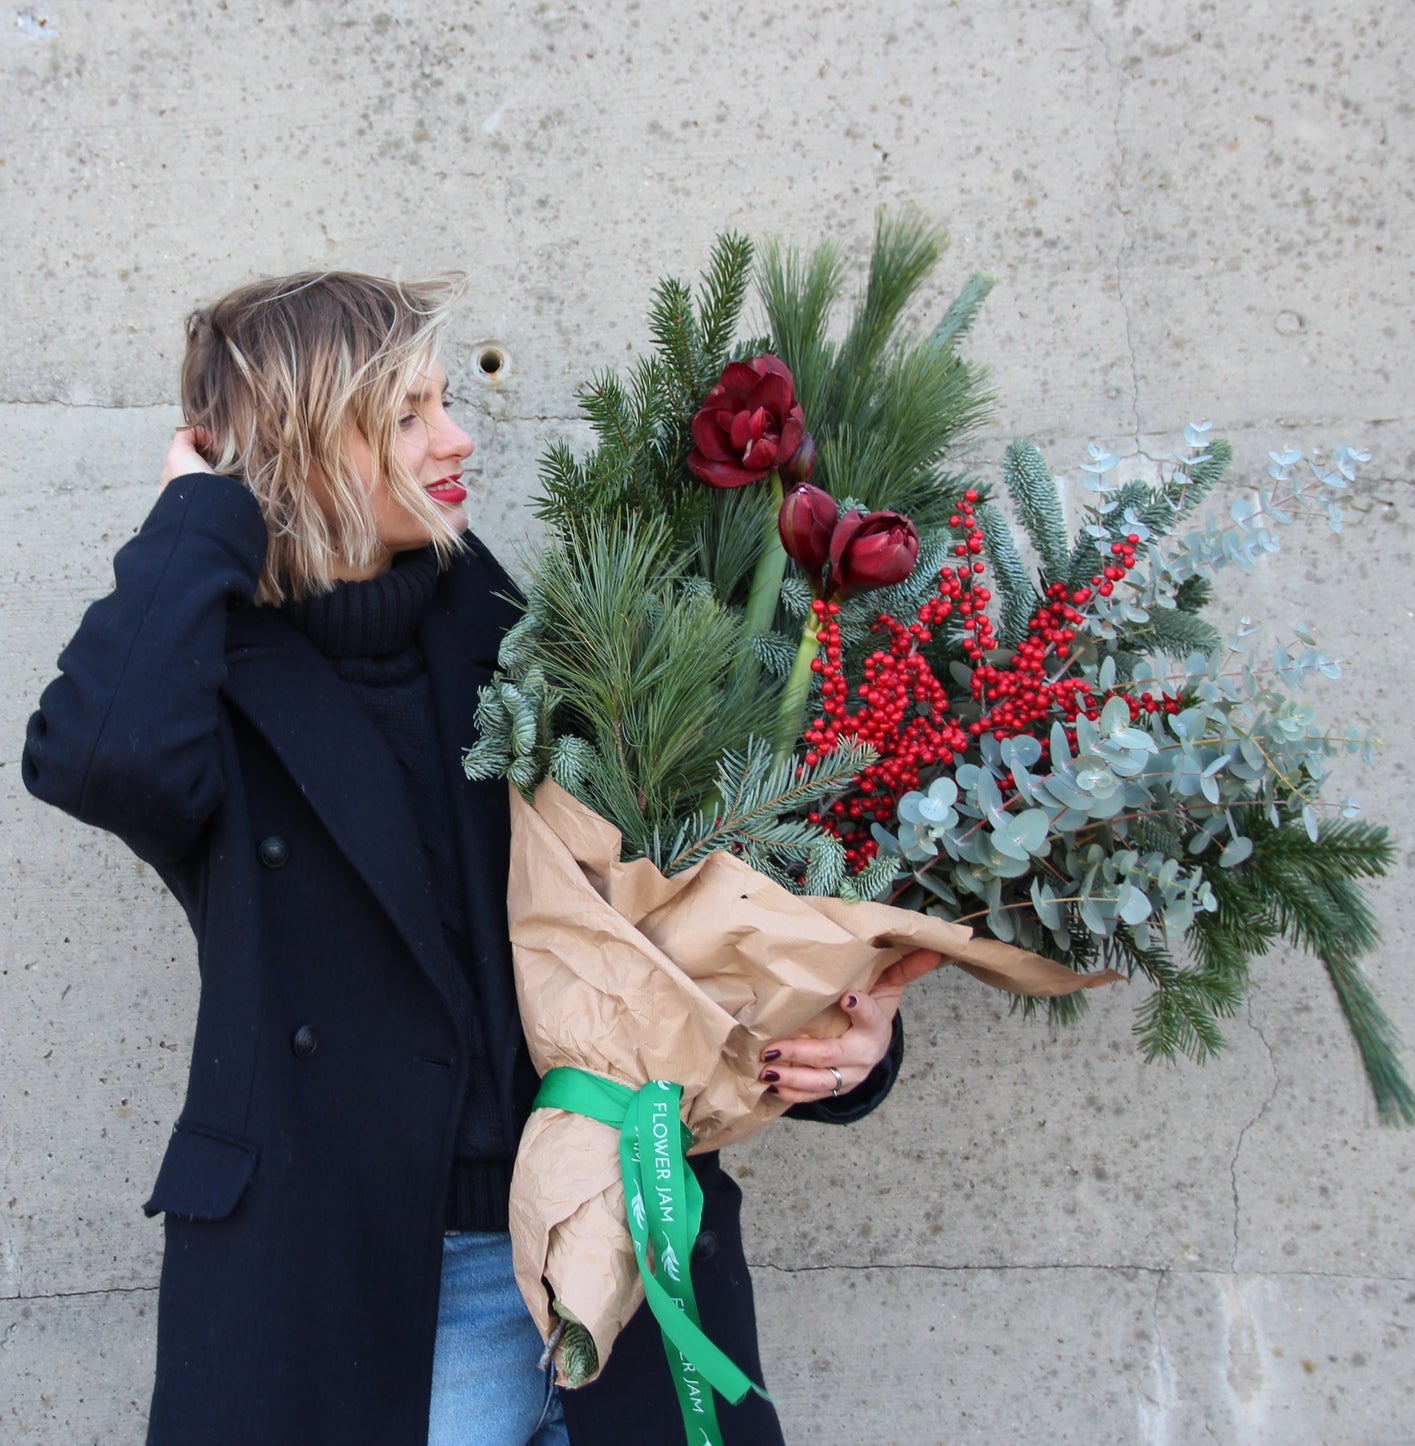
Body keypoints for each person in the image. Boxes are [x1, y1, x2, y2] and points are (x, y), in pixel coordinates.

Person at [22, 270, 927, 1446]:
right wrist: (201, 519)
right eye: (402, 415)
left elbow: (695, 919)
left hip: (620, 1237)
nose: (454, 438)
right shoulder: (209, 684)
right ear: (293, 447)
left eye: (443, 402)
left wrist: (846, 1044)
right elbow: (97, 762)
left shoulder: (545, 640)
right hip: (365, 1282)